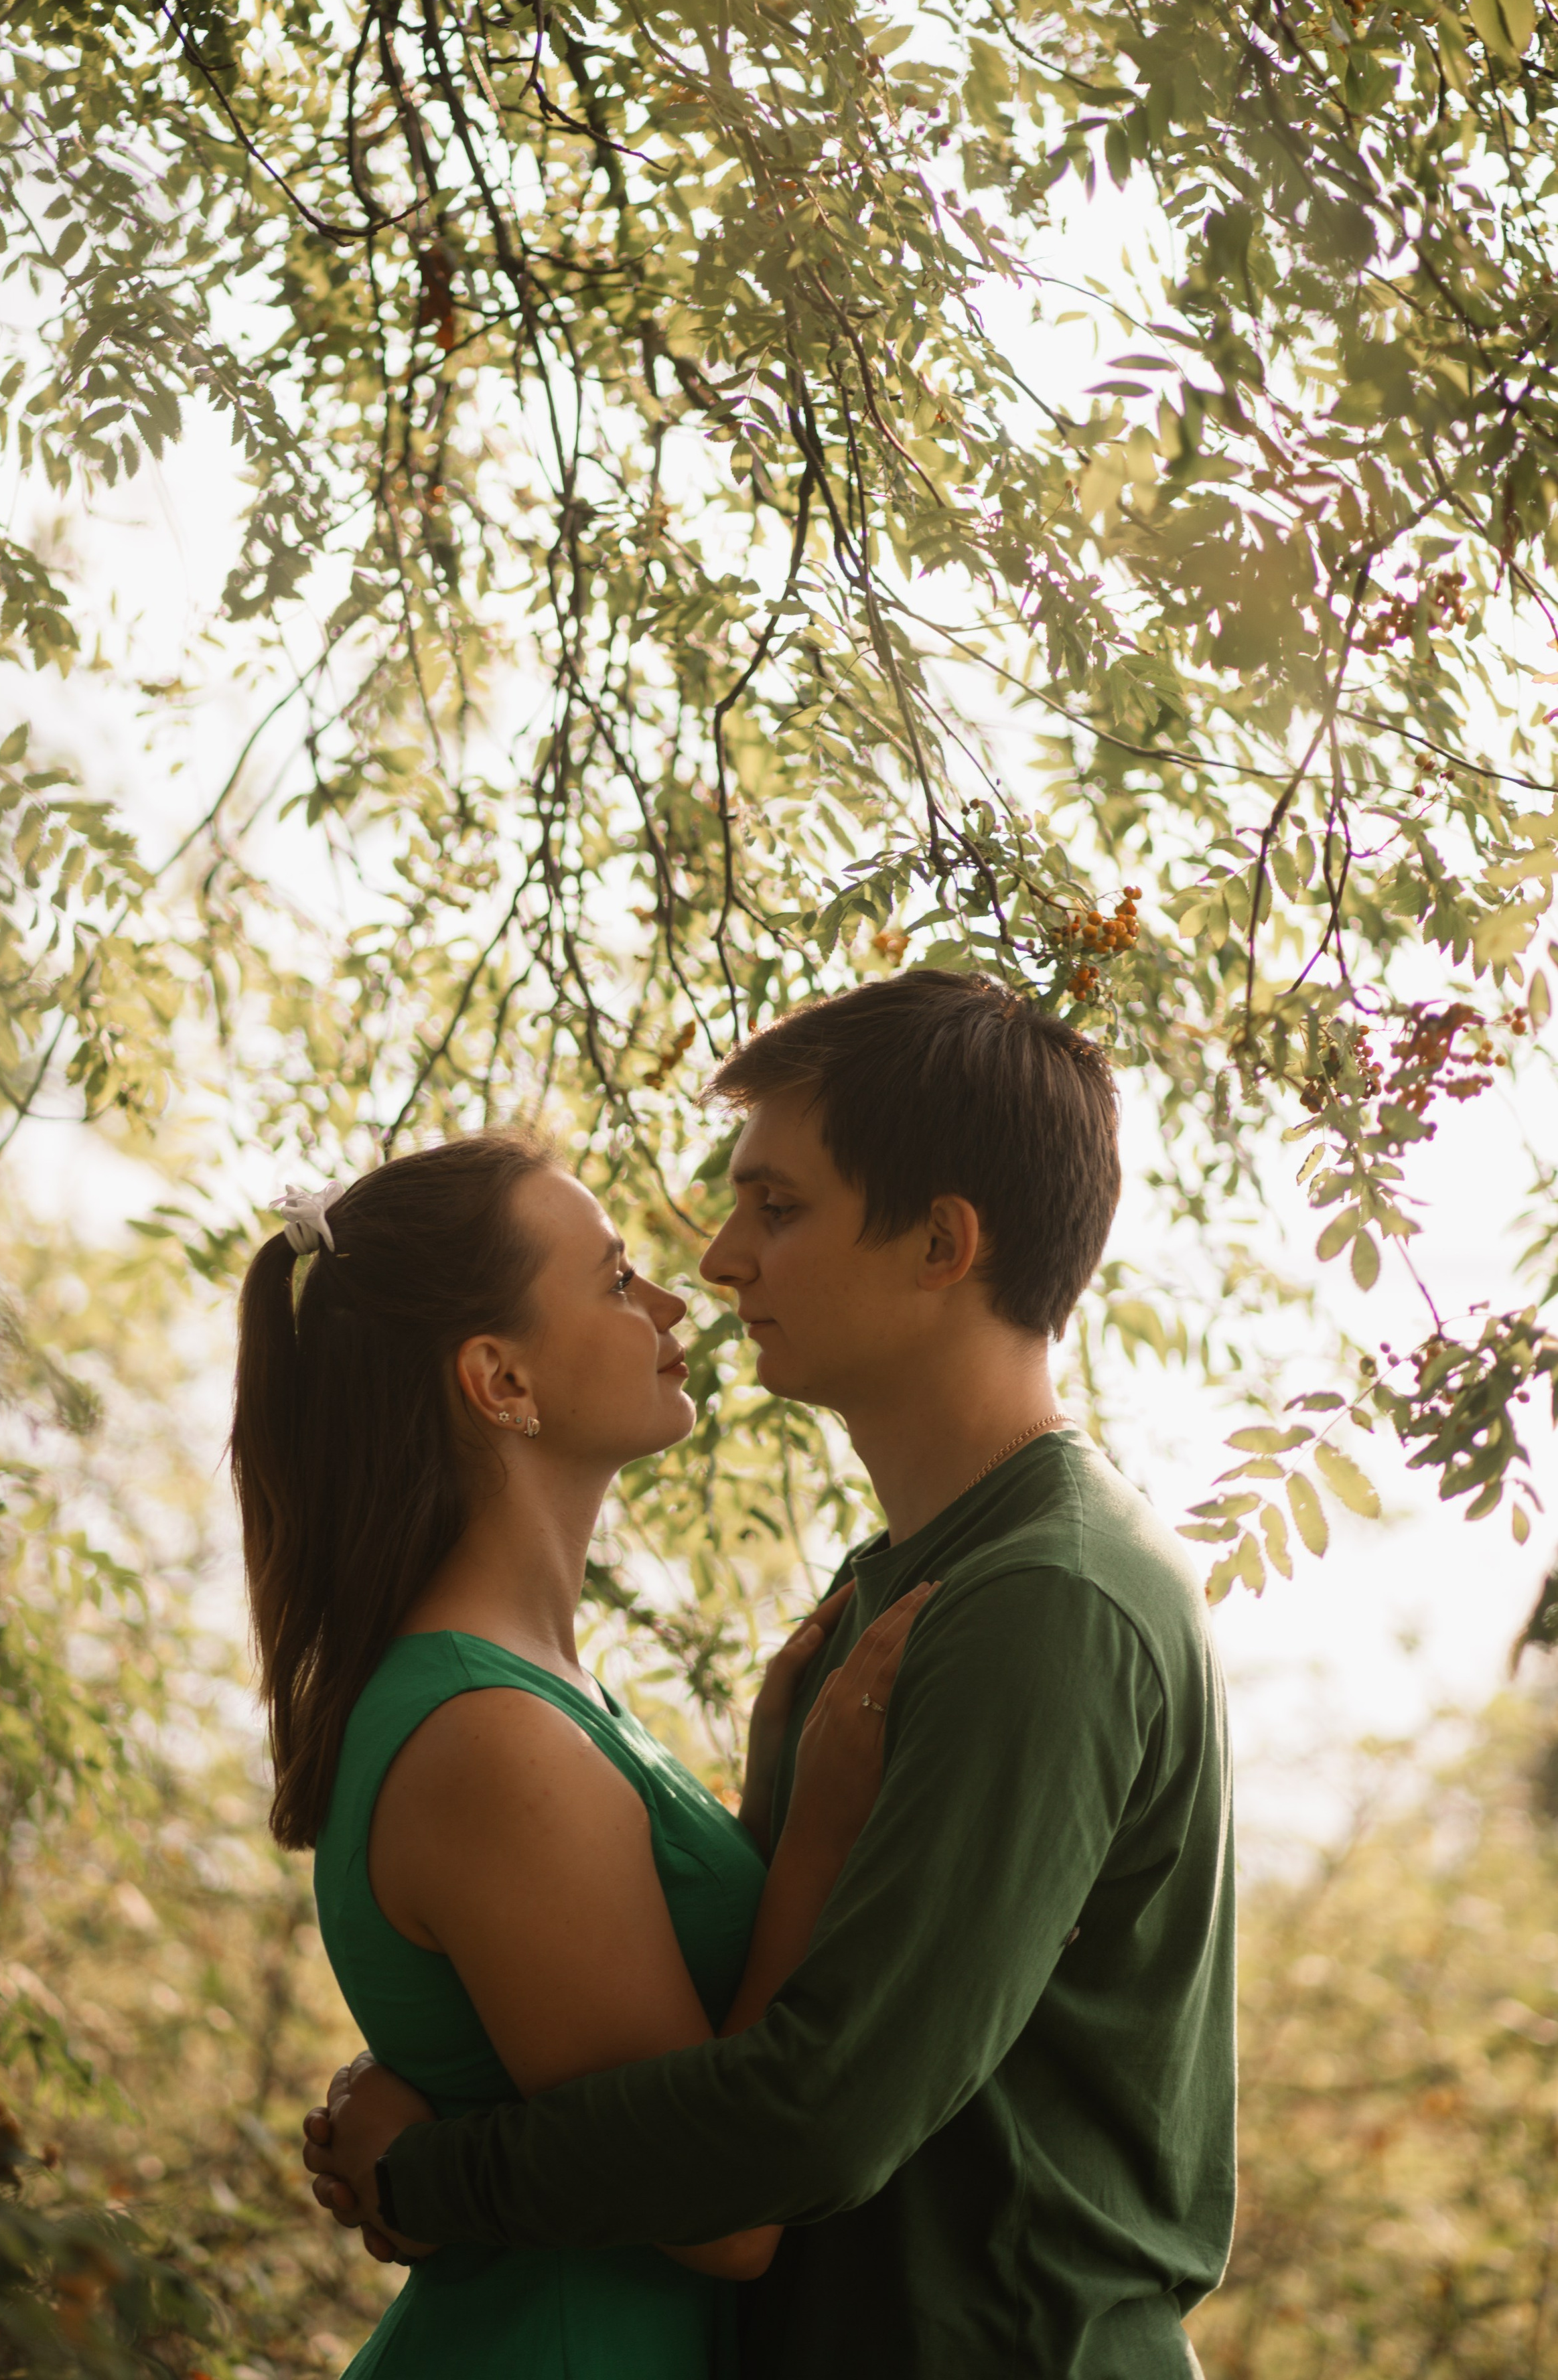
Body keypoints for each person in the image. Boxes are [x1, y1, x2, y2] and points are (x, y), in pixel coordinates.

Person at [303, 971, 1237, 2377]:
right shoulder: (897, 1586)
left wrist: (435, 2170)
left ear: (941, 1240)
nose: (723, 1258)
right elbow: (771, 2004)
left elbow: (814, 2109)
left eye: (777, 1206)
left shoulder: (1043, 1601)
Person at [230, 1126, 935, 2380]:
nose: (673, 1297)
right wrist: (819, 1833)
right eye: (616, 1279)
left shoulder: (540, 1694)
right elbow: (722, 2214)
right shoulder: (491, 1736)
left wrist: (770, 1795)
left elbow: (650, 2055)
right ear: (500, 1381)